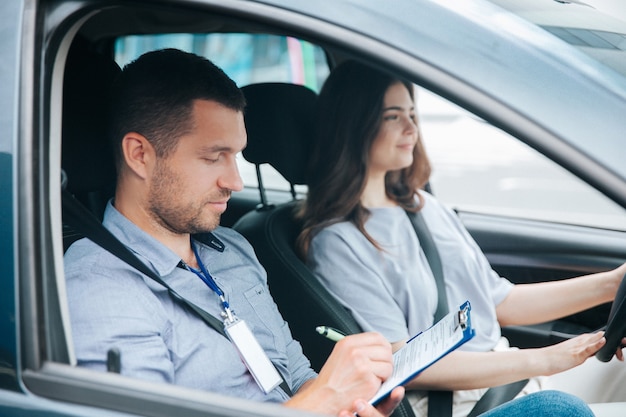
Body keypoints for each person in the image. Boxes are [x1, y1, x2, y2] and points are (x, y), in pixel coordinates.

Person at [63, 48, 595, 417]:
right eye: (213, 156)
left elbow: (296, 380)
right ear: (139, 153)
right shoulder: (103, 290)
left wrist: (355, 398)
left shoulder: (233, 252)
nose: (235, 178)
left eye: (238, 154)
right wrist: (321, 400)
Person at [297, 59, 626, 417]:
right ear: (353, 125)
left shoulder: (423, 206)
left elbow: (499, 301)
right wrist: (545, 360)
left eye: (411, 113)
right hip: (458, 403)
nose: (411, 127)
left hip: (507, 376)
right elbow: (402, 362)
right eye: (393, 116)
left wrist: (613, 284)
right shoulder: (337, 242)